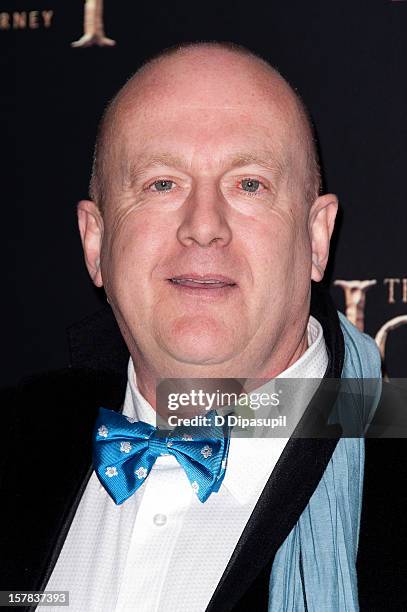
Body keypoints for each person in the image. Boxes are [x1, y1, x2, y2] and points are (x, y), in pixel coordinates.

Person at [0, 41, 401, 611]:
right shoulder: (17, 444)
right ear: (96, 241)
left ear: (317, 237)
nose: (204, 227)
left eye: (250, 184)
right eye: (162, 184)